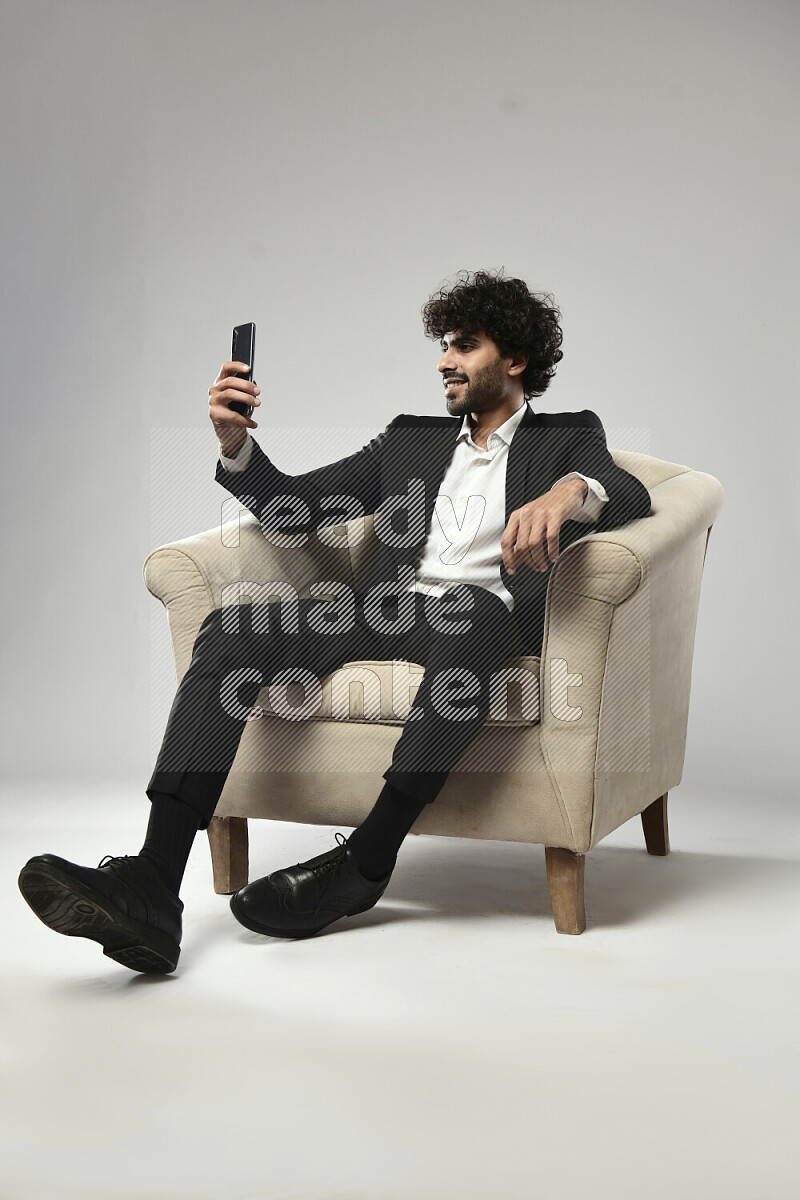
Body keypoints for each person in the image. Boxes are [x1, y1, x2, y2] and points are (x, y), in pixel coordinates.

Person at [18, 270, 651, 974]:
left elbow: (624, 489)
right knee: (230, 630)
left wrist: (567, 493)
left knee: (472, 612)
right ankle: (152, 883)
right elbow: (298, 508)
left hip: (483, 620)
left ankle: (366, 860)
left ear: (516, 360)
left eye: (464, 345)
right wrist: (235, 445)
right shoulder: (409, 441)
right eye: (443, 344)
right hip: (387, 611)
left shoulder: (567, 436)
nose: (444, 359)